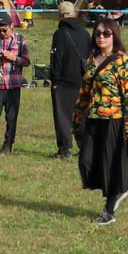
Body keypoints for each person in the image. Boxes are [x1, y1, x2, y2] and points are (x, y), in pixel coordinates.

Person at [75, 19, 128, 226]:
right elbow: (85, 92)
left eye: (106, 33)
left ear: (115, 36)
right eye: (98, 33)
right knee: (86, 161)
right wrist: (77, 119)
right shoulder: (91, 60)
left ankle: (110, 208)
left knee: (110, 165)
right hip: (92, 119)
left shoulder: (123, 62)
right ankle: (118, 192)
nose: (101, 37)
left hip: (113, 120)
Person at [0, 12, 30, 154]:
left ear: (11, 26)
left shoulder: (20, 40)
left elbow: (26, 61)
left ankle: (8, 145)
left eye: (4, 29)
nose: (2, 32)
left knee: (11, 117)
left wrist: (14, 58)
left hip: (13, 84)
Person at [48, 9, 91, 159]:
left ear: (60, 15)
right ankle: (85, 147)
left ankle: (64, 149)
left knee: (63, 117)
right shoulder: (85, 33)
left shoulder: (60, 34)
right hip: (82, 80)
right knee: (81, 115)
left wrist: (54, 79)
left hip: (63, 83)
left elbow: (56, 59)